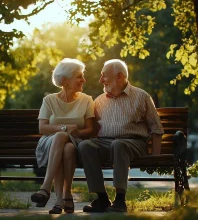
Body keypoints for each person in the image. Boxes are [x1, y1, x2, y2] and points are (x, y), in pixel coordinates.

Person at [77, 59, 164, 213]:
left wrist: (154, 158)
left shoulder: (141, 96)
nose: (100, 79)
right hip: (104, 143)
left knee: (119, 144)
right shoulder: (99, 101)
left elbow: (156, 128)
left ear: (119, 76)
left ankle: (120, 200)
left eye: (104, 75)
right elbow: (92, 129)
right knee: (85, 146)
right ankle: (102, 198)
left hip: (133, 143)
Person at [30, 58, 95, 214]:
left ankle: (49, 191)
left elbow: (90, 130)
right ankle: (65, 196)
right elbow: (42, 128)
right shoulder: (49, 100)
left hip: (77, 140)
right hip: (49, 142)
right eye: (79, 76)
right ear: (65, 80)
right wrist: (64, 128)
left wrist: (78, 132)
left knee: (67, 145)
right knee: (64, 144)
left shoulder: (87, 100)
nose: (83, 80)